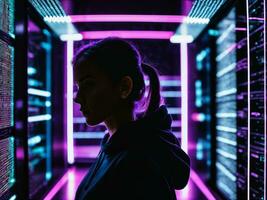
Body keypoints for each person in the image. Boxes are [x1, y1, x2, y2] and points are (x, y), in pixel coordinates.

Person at [73, 37, 190, 200]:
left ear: (124, 87)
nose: (77, 97)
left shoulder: (138, 163)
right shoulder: (115, 145)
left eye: (88, 84)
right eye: (78, 87)